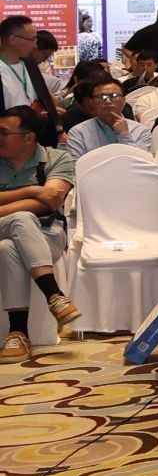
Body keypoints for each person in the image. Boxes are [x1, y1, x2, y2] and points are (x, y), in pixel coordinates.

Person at [0, 106, 76, 358]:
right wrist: (31, 191)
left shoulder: (57, 158)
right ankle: (54, 295)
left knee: (7, 246)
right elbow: (41, 197)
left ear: (28, 137)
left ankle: (17, 333)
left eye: (4, 133)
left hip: (46, 233)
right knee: (20, 218)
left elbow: (50, 201)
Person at [0, 15, 65, 144]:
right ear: (13, 39)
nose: (35, 45)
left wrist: (59, 129)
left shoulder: (29, 63)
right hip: (8, 139)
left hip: (37, 134)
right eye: (32, 39)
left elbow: (44, 95)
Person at [63, 75, 153, 156]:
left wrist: (124, 134)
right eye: (101, 97)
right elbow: (76, 166)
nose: (108, 101)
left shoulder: (141, 131)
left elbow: (140, 163)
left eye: (114, 96)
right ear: (92, 102)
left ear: (124, 100)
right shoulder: (78, 132)